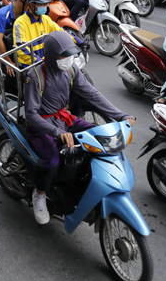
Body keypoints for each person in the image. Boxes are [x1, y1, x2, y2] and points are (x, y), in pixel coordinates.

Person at [24, 31, 135, 223]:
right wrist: (57, 132)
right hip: (42, 126)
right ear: (51, 55)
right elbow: (31, 114)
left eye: (70, 55)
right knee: (51, 160)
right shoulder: (35, 76)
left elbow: (92, 94)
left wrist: (120, 116)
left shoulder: (71, 70)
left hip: (65, 118)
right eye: (64, 55)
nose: (69, 59)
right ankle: (40, 194)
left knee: (97, 135)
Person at [0, 0, 31, 93]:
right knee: (12, 75)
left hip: (12, 48)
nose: (31, 5)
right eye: (29, 1)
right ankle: (2, 101)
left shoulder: (23, 14)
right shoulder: (2, 15)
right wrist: (9, 63)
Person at [13, 0, 69, 68]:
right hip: (29, 64)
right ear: (32, 5)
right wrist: (37, 61)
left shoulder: (46, 19)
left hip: (45, 61)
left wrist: (78, 41)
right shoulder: (20, 23)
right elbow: (20, 48)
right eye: (41, 4)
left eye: (46, 4)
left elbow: (61, 32)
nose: (45, 6)